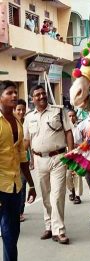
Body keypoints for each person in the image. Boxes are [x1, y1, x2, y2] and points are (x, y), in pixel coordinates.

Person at [23, 85, 74, 244]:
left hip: (58, 158)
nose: (41, 97)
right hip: (39, 160)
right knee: (45, 195)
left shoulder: (59, 111)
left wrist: (71, 153)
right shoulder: (28, 117)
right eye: (37, 95)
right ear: (32, 99)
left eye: (43, 94)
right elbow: (26, 140)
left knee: (57, 195)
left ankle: (59, 230)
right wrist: (17, 155)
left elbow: (68, 132)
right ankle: (49, 226)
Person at [0, 81, 36, 261]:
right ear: (0, 97)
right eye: (9, 93)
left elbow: (22, 157)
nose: (14, 96)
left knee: (12, 233)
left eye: (15, 92)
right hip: (0, 186)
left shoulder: (18, 123)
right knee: (7, 230)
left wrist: (31, 184)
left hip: (15, 186)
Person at [14, 99, 28, 222]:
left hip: (24, 159)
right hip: (11, 161)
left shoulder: (27, 122)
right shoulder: (10, 122)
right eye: (19, 109)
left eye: (23, 109)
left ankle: (20, 211)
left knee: (23, 184)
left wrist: (32, 160)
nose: (21, 112)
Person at [66, 109, 83, 205]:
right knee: (67, 175)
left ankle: (77, 195)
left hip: (78, 155)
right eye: (69, 116)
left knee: (78, 175)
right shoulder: (64, 129)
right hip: (67, 155)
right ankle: (71, 190)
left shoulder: (80, 127)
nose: (71, 118)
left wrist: (79, 146)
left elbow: (84, 140)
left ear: (76, 117)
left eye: (73, 116)